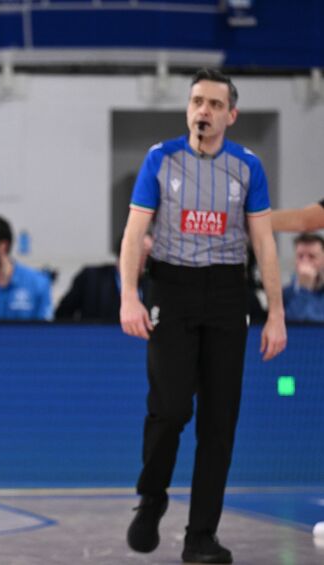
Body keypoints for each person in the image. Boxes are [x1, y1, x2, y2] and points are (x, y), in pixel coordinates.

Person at [119, 68, 287, 564]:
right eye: (197, 102)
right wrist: (128, 295)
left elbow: (264, 243)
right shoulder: (161, 158)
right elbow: (134, 233)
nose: (203, 111)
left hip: (227, 294)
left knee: (219, 422)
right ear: (188, 109)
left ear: (231, 115)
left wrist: (276, 312)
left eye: (214, 104)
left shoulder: (247, 167)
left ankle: (200, 537)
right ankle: (152, 497)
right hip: (171, 289)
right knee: (170, 409)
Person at [55, 234, 153, 322]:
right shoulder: (91, 278)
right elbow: (62, 316)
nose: (150, 260)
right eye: (145, 253)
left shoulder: (152, 284)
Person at [282, 233, 324, 322]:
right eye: (300, 256)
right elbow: (294, 324)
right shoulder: (285, 294)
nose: (305, 261)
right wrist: (304, 288)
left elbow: (317, 322)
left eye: (312, 257)